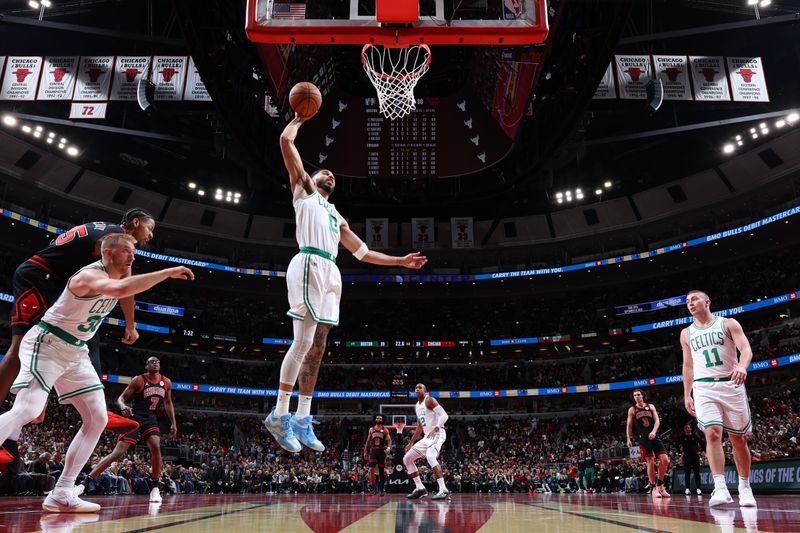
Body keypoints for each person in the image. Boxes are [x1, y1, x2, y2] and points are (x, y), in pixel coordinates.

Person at [263, 113, 427, 453]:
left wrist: (400, 261)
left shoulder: (337, 216)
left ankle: (303, 418)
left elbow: (363, 253)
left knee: (318, 346)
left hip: (331, 272)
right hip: (308, 261)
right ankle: (279, 413)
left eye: (332, 175)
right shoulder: (305, 191)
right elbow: (285, 142)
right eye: (325, 171)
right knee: (304, 340)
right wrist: (298, 118)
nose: (330, 174)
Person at [0, 233, 193, 512]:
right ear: (108, 254)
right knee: (28, 408)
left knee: (97, 418)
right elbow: (119, 290)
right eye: (126, 251)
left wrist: (131, 324)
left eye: (133, 252)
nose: (133, 256)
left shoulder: (119, 277)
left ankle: (62, 492)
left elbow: (125, 291)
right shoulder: (87, 276)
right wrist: (167, 272)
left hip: (76, 351)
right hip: (48, 342)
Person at [0, 208, 155, 462]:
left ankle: (14, 431)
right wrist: (130, 324)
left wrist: (129, 322)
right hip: (39, 276)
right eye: (150, 229)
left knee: (84, 330)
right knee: (18, 349)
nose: (150, 236)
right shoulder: (115, 238)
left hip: (52, 279)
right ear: (135, 223)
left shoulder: (105, 229)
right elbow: (123, 284)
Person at [681, 290, 756, 507]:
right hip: (704, 387)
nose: (690, 303)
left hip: (731, 383)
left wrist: (742, 366)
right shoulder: (686, 333)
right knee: (712, 434)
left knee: (738, 439)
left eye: (694, 299)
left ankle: (744, 486)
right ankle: (720, 487)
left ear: (707, 301)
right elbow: (688, 366)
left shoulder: (728, 323)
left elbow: (746, 349)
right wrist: (687, 394)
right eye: (687, 302)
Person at [80, 356, 176, 503]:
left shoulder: (166, 382)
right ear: (146, 366)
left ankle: (155, 488)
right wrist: (123, 407)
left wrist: (173, 423)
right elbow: (121, 398)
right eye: (152, 361)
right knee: (118, 453)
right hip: (134, 416)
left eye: (158, 361)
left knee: (156, 446)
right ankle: (84, 483)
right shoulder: (138, 380)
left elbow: (168, 403)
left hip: (150, 418)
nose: (155, 363)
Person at [403, 383, 450, 501]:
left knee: (430, 456)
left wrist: (437, 428)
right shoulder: (417, 406)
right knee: (406, 459)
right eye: (416, 388)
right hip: (427, 437)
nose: (417, 389)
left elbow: (444, 415)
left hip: (438, 433)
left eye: (420, 387)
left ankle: (443, 490)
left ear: (425, 390)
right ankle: (420, 488)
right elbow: (419, 428)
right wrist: (411, 442)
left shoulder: (429, 400)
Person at [626, 389, 671, 498]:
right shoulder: (632, 409)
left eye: (638, 394)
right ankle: (653, 488)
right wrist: (628, 438)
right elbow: (629, 425)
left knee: (665, 460)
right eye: (635, 395)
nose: (637, 396)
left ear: (643, 395)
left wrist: (654, 431)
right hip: (643, 438)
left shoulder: (651, 406)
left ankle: (660, 485)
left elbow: (657, 421)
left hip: (654, 435)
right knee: (650, 461)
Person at [363, 414, 391, 495]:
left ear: (382, 420)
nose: (379, 419)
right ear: (375, 419)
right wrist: (365, 451)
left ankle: (381, 489)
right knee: (371, 469)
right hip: (373, 450)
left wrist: (389, 447)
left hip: (381, 451)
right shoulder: (371, 429)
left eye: (380, 418)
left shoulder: (385, 429)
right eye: (377, 418)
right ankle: (373, 488)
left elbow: (389, 440)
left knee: (381, 471)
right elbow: (368, 441)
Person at [678, 424, 704, 495]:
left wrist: (700, 451)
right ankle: (687, 488)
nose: (688, 429)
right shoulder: (682, 437)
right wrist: (680, 452)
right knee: (687, 473)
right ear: (684, 430)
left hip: (695, 457)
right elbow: (676, 444)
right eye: (686, 428)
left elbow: (703, 443)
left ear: (691, 429)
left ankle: (698, 488)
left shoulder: (695, 437)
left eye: (689, 427)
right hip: (686, 457)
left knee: (697, 473)